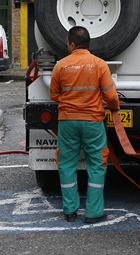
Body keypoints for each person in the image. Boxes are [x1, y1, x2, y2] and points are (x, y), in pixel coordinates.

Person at [49, 26, 119, 223]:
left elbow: (54, 95)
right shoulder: (99, 64)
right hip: (93, 122)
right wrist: (113, 107)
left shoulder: (61, 65)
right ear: (88, 43)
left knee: (66, 164)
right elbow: (111, 95)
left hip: (67, 121)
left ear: (71, 44)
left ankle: (70, 211)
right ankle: (93, 213)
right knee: (97, 164)